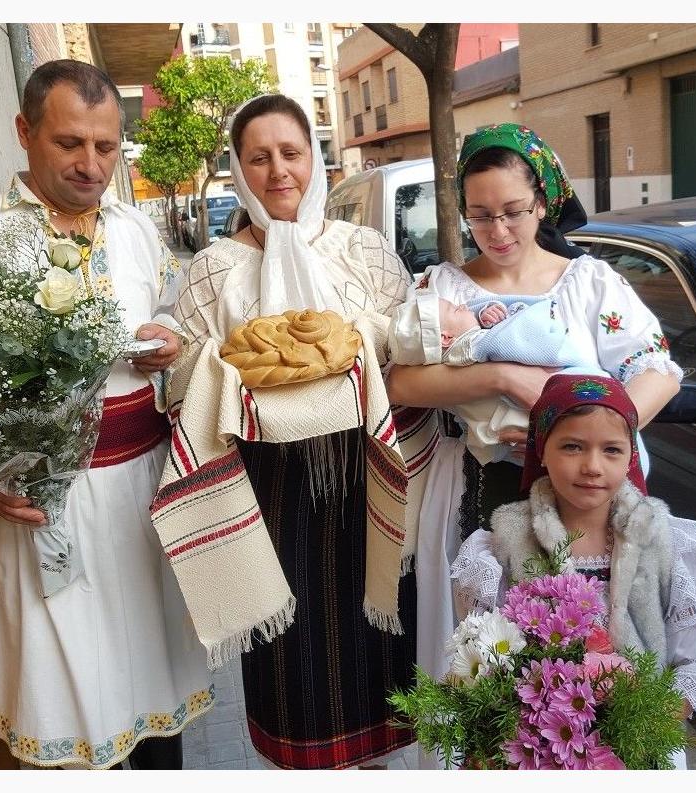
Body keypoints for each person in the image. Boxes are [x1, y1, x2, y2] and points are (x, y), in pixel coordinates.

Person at [0, 59, 209, 770]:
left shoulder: (137, 232)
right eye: (69, 143)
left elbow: (169, 311)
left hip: (142, 500)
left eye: (106, 146)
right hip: (36, 512)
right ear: (24, 130)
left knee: (155, 697)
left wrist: (168, 338)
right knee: (70, 705)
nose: (91, 164)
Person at [152, 93, 429, 769]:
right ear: (238, 170)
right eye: (259, 157)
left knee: (378, 648)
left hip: (367, 480)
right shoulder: (212, 269)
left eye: (291, 153)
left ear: (315, 159)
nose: (278, 171)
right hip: (269, 496)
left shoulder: (363, 250)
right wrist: (205, 361)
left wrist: (362, 340)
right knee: (291, 666)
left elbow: (409, 350)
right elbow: (180, 382)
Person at [385, 125, 682, 715]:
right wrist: (501, 376)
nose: (498, 231)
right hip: (476, 490)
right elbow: (399, 383)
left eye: (514, 212)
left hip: (586, 502)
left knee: (596, 659)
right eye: (480, 216)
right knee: (488, 662)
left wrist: (584, 436)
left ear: (543, 203)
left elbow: (658, 370)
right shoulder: (443, 289)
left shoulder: (590, 283)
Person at [449, 373, 696, 769]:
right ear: (541, 450)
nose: (592, 467)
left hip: (639, 744)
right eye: (572, 446)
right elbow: (485, 654)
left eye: (611, 450)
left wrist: (643, 718)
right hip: (540, 752)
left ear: (631, 456)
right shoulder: (502, 548)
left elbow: (692, 663)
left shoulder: (667, 545)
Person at [389, 293, 606, 467]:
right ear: (445, 338)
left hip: (518, 434)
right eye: (456, 309)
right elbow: (508, 340)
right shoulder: (469, 348)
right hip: (524, 424)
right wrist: (505, 374)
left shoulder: (456, 349)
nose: (464, 306)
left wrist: (486, 314)